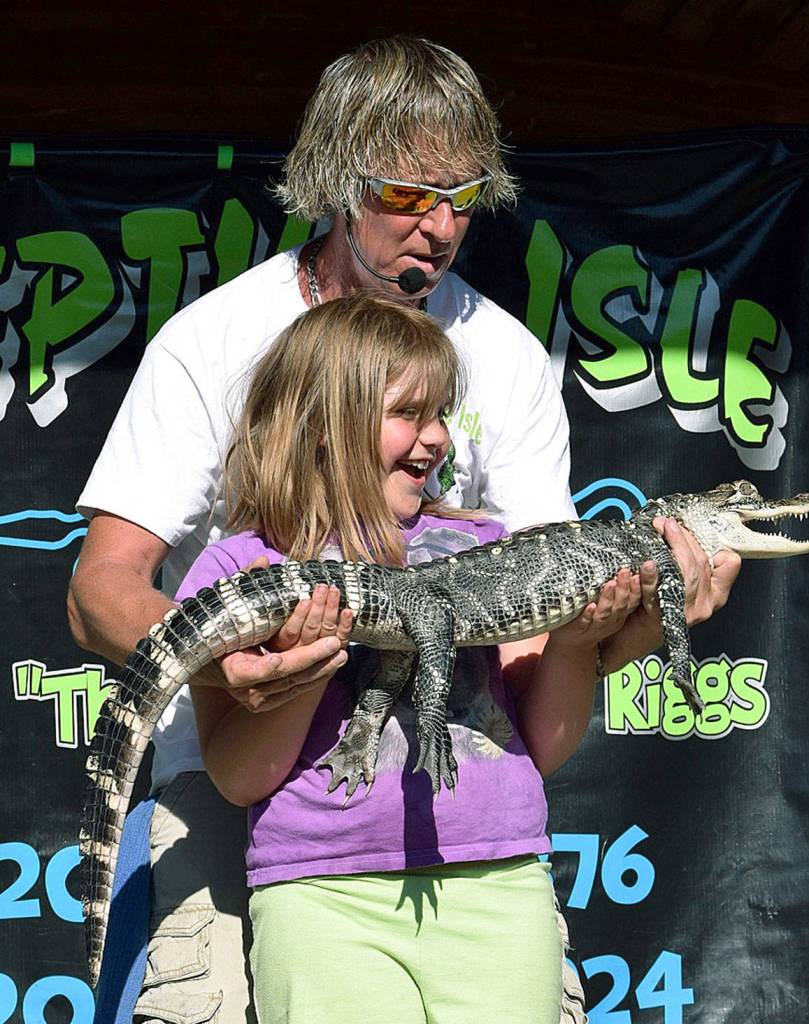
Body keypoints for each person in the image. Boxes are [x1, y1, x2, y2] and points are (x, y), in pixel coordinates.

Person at [68, 36, 740, 1024]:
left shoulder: (506, 361)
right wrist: (228, 669)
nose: (436, 228)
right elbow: (101, 586)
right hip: (239, 781)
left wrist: (630, 622)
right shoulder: (213, 339)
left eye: (460, 200)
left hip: (456, 814)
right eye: (405, 196)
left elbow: (536, 640)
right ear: (337, 183)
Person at [183, 293, 635, 1023]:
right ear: (323, 423)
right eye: (409, 415)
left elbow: (544, 744)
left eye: (441, 416)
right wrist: (307, 666)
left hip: (497, 882)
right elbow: (241, 777)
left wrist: (581, 640)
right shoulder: (239, 567)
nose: (435, 440)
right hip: (321, 895)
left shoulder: (490, 546)